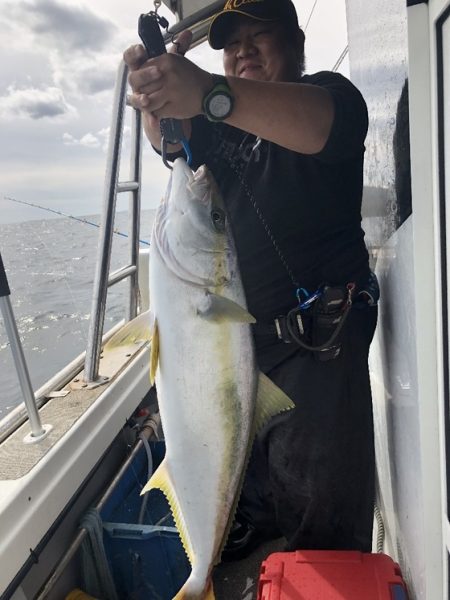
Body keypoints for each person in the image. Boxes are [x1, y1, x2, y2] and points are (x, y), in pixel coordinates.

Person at [124, 0, 378, 558]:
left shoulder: (329, 98)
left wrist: (209, 91)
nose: (242, 52)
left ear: (295, 44)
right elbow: (174, 140)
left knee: (325, 539)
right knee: (247, 512)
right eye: (232, 44)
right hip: (238, 353)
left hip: (319, 354)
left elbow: (321, 126)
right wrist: (157, 94)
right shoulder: (222, 131)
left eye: (259, 36)